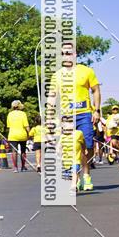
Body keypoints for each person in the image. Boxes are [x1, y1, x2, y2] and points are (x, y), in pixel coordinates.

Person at [48, 50, 101, 192]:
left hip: (85, 114)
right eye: (63, 53)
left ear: (75, 54)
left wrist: (97, 110)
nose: (66, 55)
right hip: (66, 117)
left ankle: (86, 174)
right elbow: (52, 96)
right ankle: (75, 178)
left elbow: (95, 90)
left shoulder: (87, 71)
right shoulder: (57, 75)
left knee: (87, 146)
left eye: (69, 52)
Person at [6, 100, 29, 171]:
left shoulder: (10, 114)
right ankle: (23, 166)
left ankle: (15, 167)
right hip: (22, 134)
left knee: (14, 151)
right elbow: (26, 126)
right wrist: (29, 134)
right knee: (23, 151)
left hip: (13, 135)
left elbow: (9, 126)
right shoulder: (23, 114)